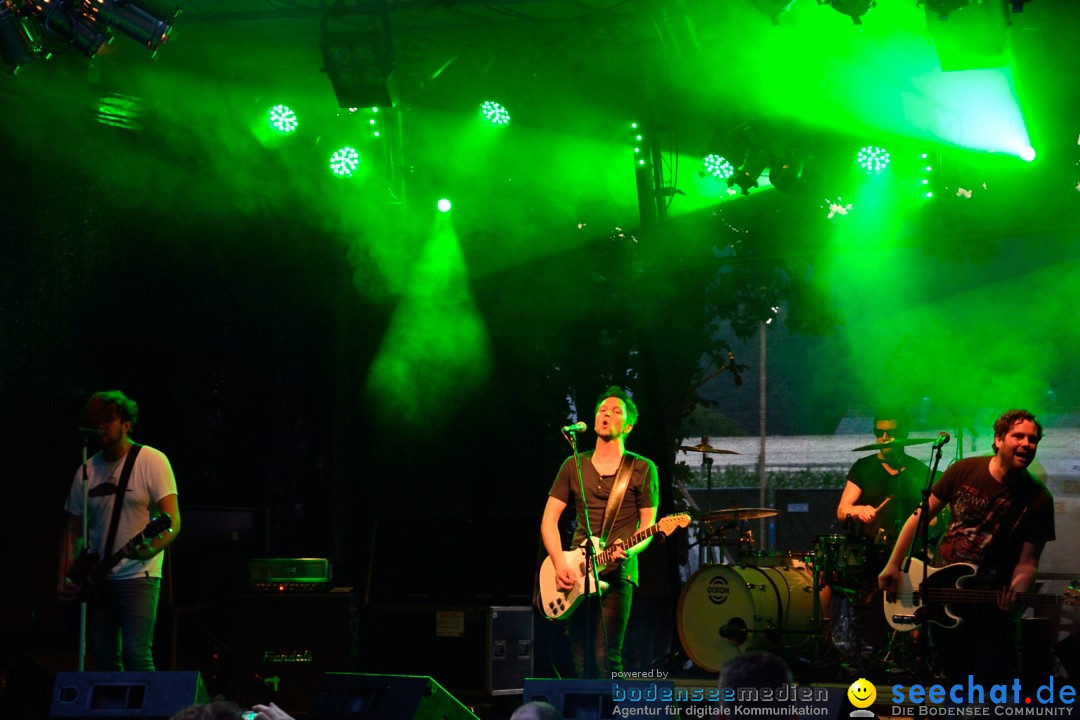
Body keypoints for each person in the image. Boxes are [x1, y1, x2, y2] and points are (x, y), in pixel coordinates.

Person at [878, 409, 1054, 684]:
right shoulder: (963, 470)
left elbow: (1028, 561)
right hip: (942, 593)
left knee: (992, 686)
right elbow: (920, 518)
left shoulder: (1038, 499)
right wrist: (893, 564)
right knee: (955, 681)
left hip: (992, 607)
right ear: (998, 439)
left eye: (1032, 440)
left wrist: (1016, 598)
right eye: (1018, 436)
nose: (1026, 444)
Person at [57, 390, 181, 671]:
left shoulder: (151, 460)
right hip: (98, 578)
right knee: (102, 656)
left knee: (137, 655)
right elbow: (73, 531)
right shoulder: (87, 470)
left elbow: (172, 519)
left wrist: (153, 547)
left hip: (139, 575)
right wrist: (63, 576)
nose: (100, 425)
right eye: (95, 419)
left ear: (126, 424)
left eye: (107, 419)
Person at [541, 386, 659, 678]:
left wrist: (628, 550)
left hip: (618, 574)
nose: (606, 414)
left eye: (616, 411)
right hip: (575, 572)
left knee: (606, 657)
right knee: (580, 658)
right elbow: (548, 521)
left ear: (628, 426)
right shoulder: (574, 465)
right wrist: (558, 563)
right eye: (602, 410)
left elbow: (648, 527)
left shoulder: (643, 468)